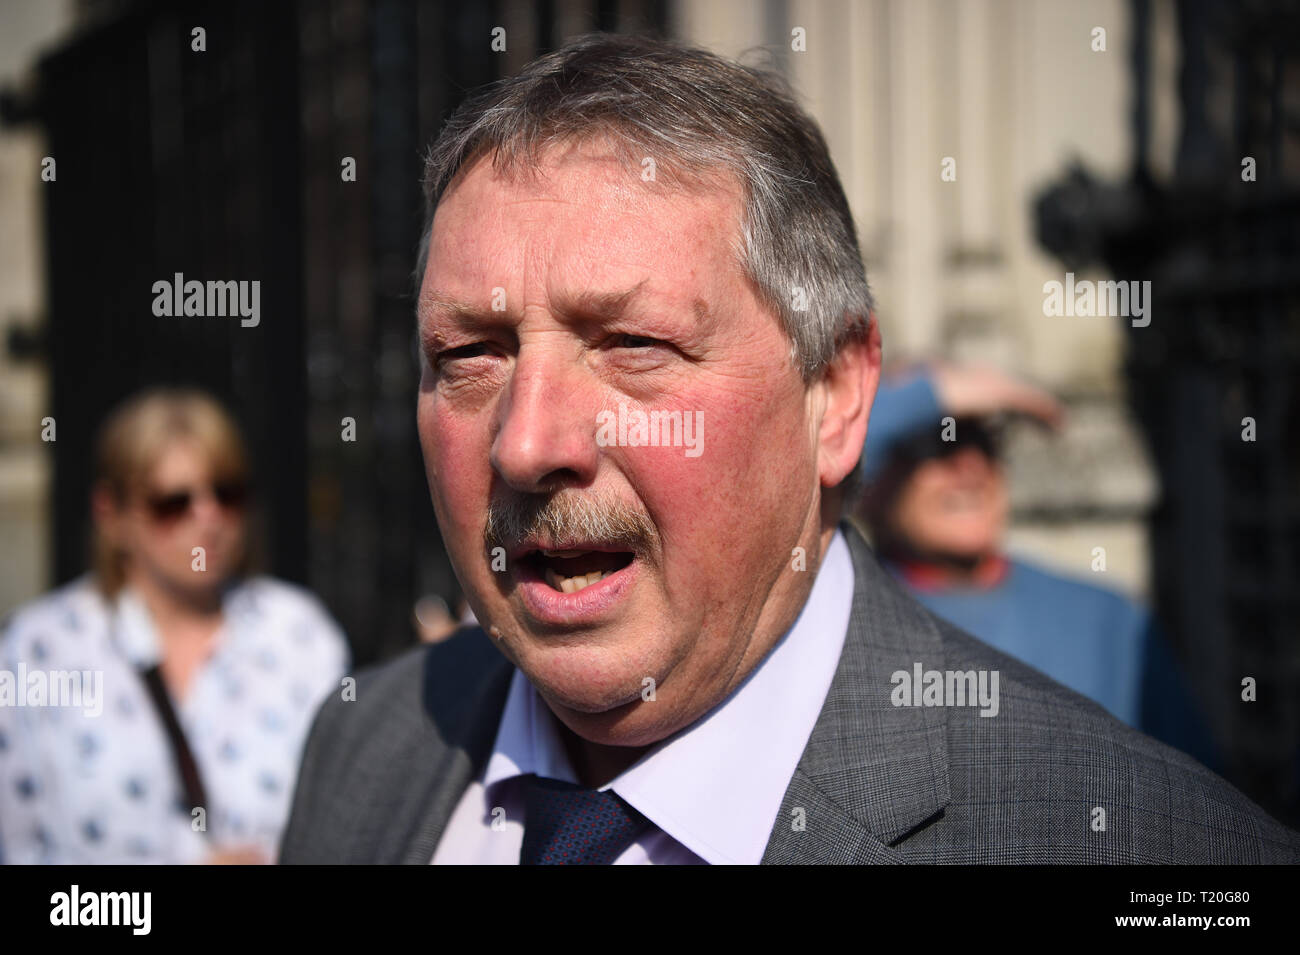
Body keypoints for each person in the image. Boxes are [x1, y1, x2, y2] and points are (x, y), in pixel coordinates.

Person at [279, 33, 1299, 864]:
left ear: (837, 396)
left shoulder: (1137, 851)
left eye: (633, 345)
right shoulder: (363, 745)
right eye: (469, 354)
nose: (528, 442)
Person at [0, 388, 349, 863]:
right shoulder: (39, 649)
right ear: (112, 515)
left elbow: (347, 824)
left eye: (226, 495)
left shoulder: (299, 634)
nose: (207, 519)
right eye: (173, 503)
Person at [854, 363, 1219, 768]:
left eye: (985, 441)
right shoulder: (840, 616)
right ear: (868, 485)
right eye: (932, 445)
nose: (969, 468)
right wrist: (934, 393)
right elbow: (806, 467)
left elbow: (1201, 795)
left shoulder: (1104, 619)